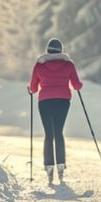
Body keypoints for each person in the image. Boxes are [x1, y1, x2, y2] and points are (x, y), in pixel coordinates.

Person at [28, 38, 83, 183]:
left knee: (49, 134)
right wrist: (79, 84)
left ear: (47, 50)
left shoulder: (39, 66)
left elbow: (33, 88)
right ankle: (61, 165)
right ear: (61, 50)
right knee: (58, 132)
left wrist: (30, 89)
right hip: (63, 101)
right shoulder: (68, 65)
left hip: (45, 102)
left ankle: (49, 166)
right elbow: (77, 85)